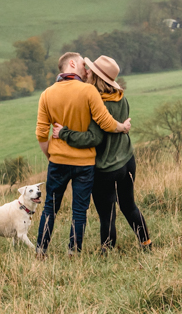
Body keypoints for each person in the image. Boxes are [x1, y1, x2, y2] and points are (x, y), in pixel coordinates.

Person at [35, 51, 131, 256]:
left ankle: (41, 250)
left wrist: (51, 157)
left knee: (50, 208)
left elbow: (41, 134)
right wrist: (122, 127)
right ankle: (74, 253)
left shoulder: (46, 94)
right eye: (82, 65)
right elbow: (105, 123)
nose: (86, 70)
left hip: (58, 161)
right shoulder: (89, 92)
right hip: (84, 163)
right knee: (79, 211)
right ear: (71, 63)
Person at [52, 55, 150, 252]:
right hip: (127, 160)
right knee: (129, 206)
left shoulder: (95, 103)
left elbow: (93, 138)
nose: (86, 71)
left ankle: (107, 251)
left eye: (90, 70)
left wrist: (64, 133)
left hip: (105, 168)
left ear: (96, 77)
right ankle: (146, 243)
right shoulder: (120, 95)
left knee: (107, 213)